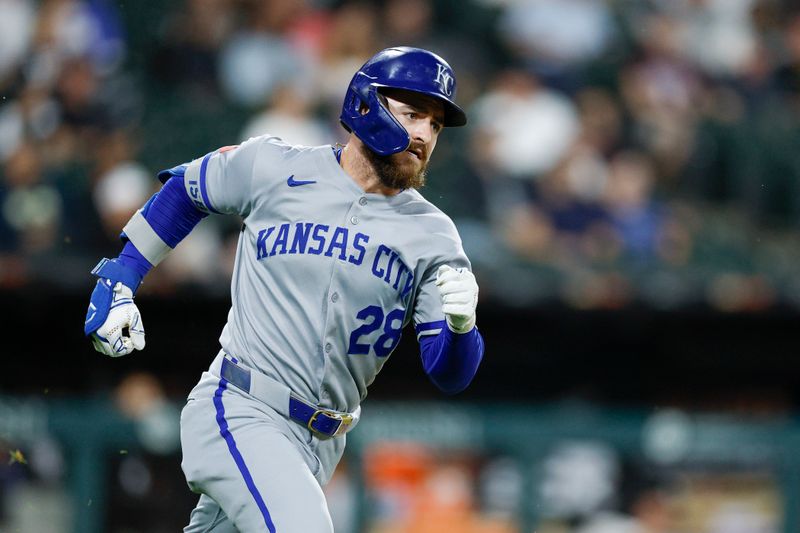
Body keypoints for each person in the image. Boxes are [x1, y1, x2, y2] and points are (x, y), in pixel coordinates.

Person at [83, 46, 485, 532]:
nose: (424, 134)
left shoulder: (434, 234)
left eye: (436, 125)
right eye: (413, 114)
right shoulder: (273, 166)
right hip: (240, 407)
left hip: (322, 442)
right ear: (364, 105)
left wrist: (462, 329)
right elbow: (186, 189)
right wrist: (121, 275)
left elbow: (449, 375)